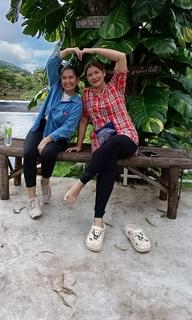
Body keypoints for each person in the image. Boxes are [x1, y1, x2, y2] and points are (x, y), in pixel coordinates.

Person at [64, 47, 150, 253]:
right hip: (102, 144)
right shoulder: (86, 95)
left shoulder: (116, 85)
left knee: (114, 143)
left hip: (125, 137)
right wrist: (79, 144)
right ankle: (98, 221)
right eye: (89, 75)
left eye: (97, 72)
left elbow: (121, 56)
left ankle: (80, 183)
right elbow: (84, 119)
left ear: (104, 73)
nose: (93, 77)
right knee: (107, 162)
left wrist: (89, 50)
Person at [24, 46, 82, 219]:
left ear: (77, 80)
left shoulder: (77, 103)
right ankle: (32, 199)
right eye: (64, 77)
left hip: (59, 136)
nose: (67, 81)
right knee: (28, 153)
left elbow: (68, 128)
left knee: (48, 152)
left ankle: (45, 180)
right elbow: (51, 63)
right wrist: (70, 50)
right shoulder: (55, 87)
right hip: (40, 127)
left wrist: (46, 140)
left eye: (71, 77)